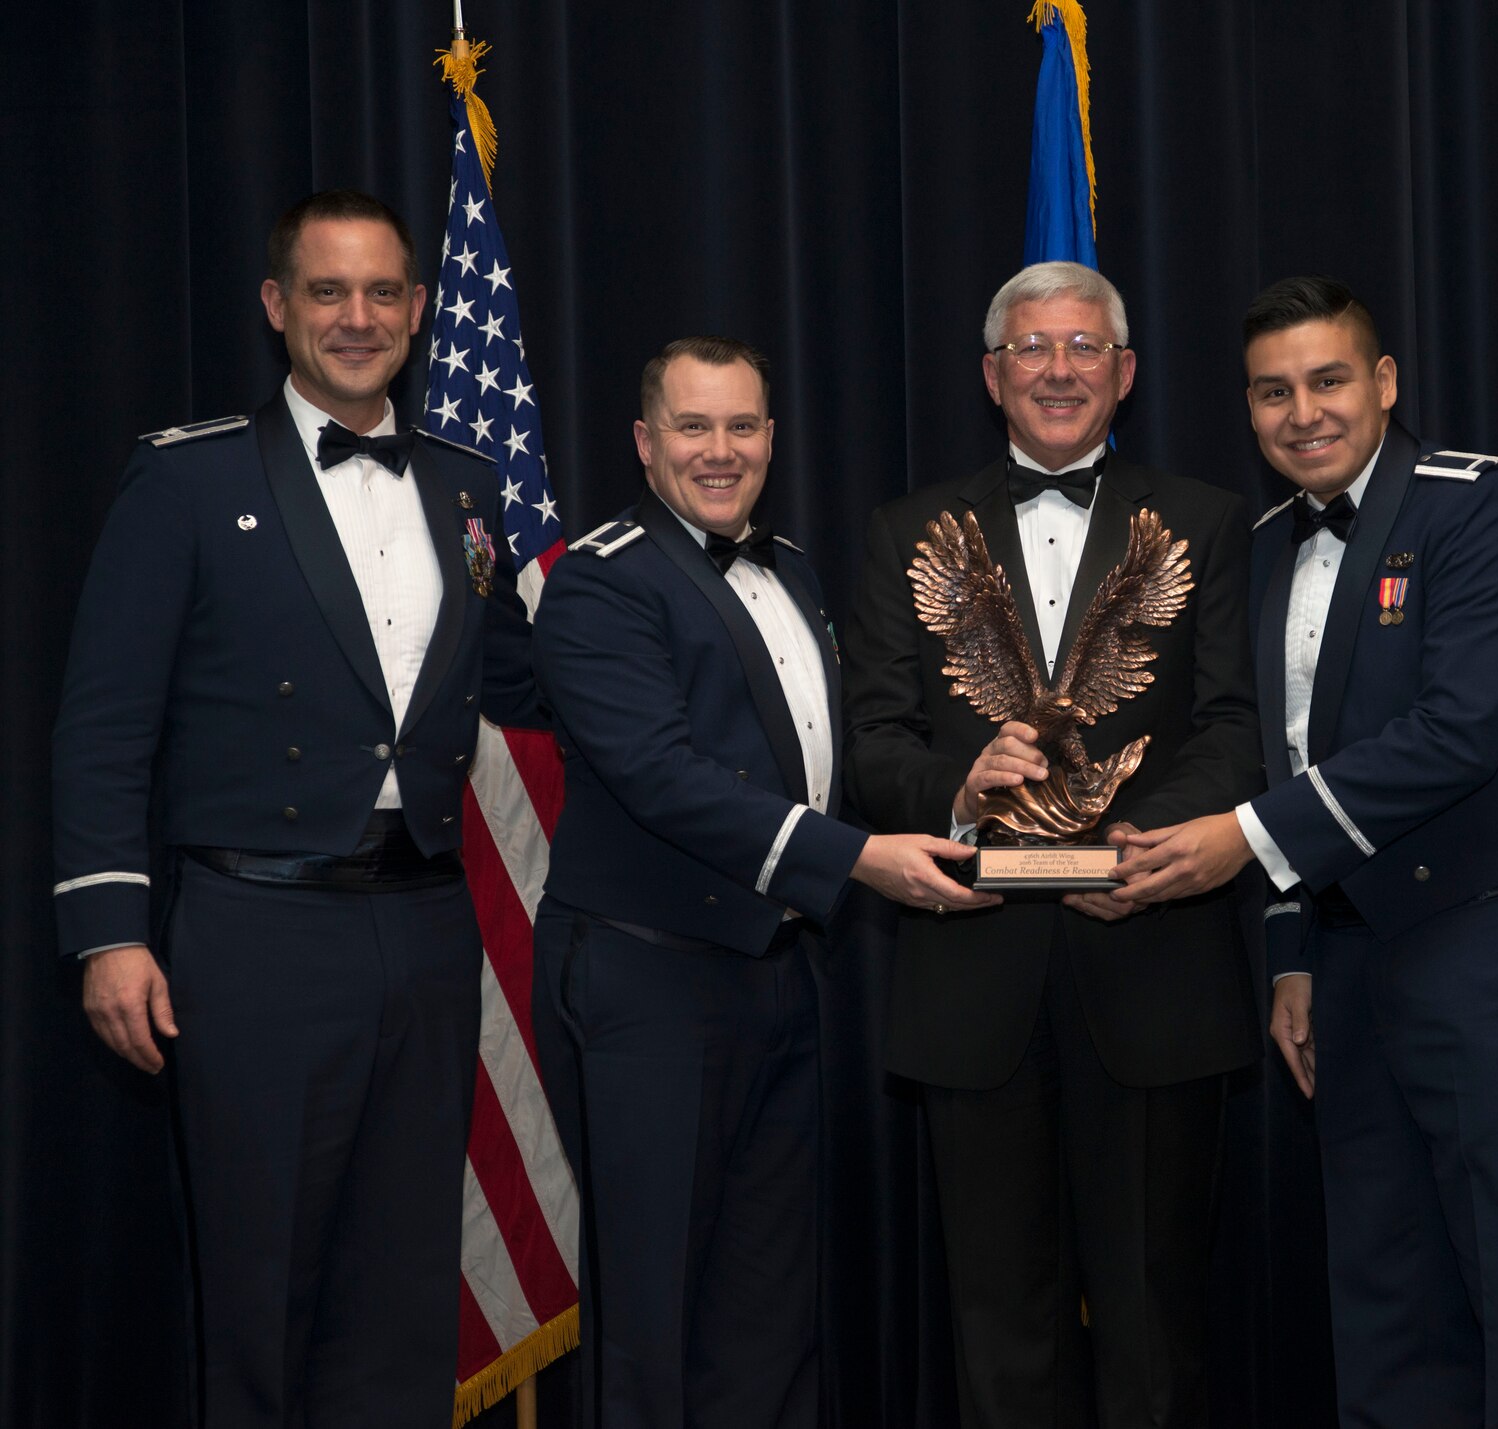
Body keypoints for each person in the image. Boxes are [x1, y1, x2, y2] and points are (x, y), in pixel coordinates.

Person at [50, 189, 540, 1428]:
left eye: (383, 293)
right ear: (278, 308)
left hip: (426, 932)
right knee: (263, 1290)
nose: (358, 317)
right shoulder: (187, 480)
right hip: (255, 934)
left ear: (422, 313)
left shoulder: (466, 487)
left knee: (402, 1290)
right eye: (329, 292)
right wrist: (111, 931)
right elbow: (106, 724)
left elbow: (531, 679)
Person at [1113, 276, 1498, 1428]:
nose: (1302, 412)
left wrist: (1242, 841)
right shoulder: (1266, 544)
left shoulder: (1475, 507)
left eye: (1328, 380)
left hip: (1480, 938)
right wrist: (1289, 951)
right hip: (1346, 963)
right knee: (1381, 1286)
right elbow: (1277, 756)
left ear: (1382, 383)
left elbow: (1455, 734)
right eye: (1272, 392)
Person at [529, 336, 992, 1428]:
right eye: (693, 426)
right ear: (645, 443)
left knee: (771, 1307)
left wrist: (962, 806)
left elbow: (821, 760)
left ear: (773, 440)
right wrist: (859, 861)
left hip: (781, 974)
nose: (720, 450)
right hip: (650, 981)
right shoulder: (599, 579)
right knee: (654, 1314)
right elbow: (660, 776)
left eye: (742, 426)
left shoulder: (789, 567)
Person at [841, 262, 1262, 1428]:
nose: (1058, 369)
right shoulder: (905, 532)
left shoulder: (1203, 521)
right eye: (1032, 349)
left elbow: (1236, 727)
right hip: (973, 983)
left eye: (1084, 347)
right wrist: (956, 787)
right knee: (1000, 1331)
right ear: (991, 375)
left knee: (1155, 1328)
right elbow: (868, 742)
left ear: (1124, 373)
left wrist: (1153, 843)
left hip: (1155, 964)